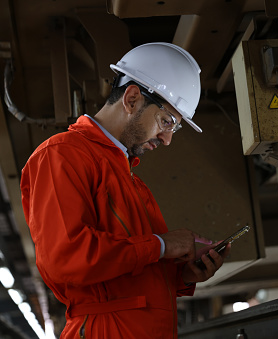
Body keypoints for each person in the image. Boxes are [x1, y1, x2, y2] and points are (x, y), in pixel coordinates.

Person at [20, 42, 230, 338]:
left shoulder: (128, 178)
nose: (168, 139)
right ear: (132, 98)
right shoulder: (60, 155)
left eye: (175, 127)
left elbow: (130, 273)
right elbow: (64, 259)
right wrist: (161, 245)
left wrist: (182, 274)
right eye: (166, 121)